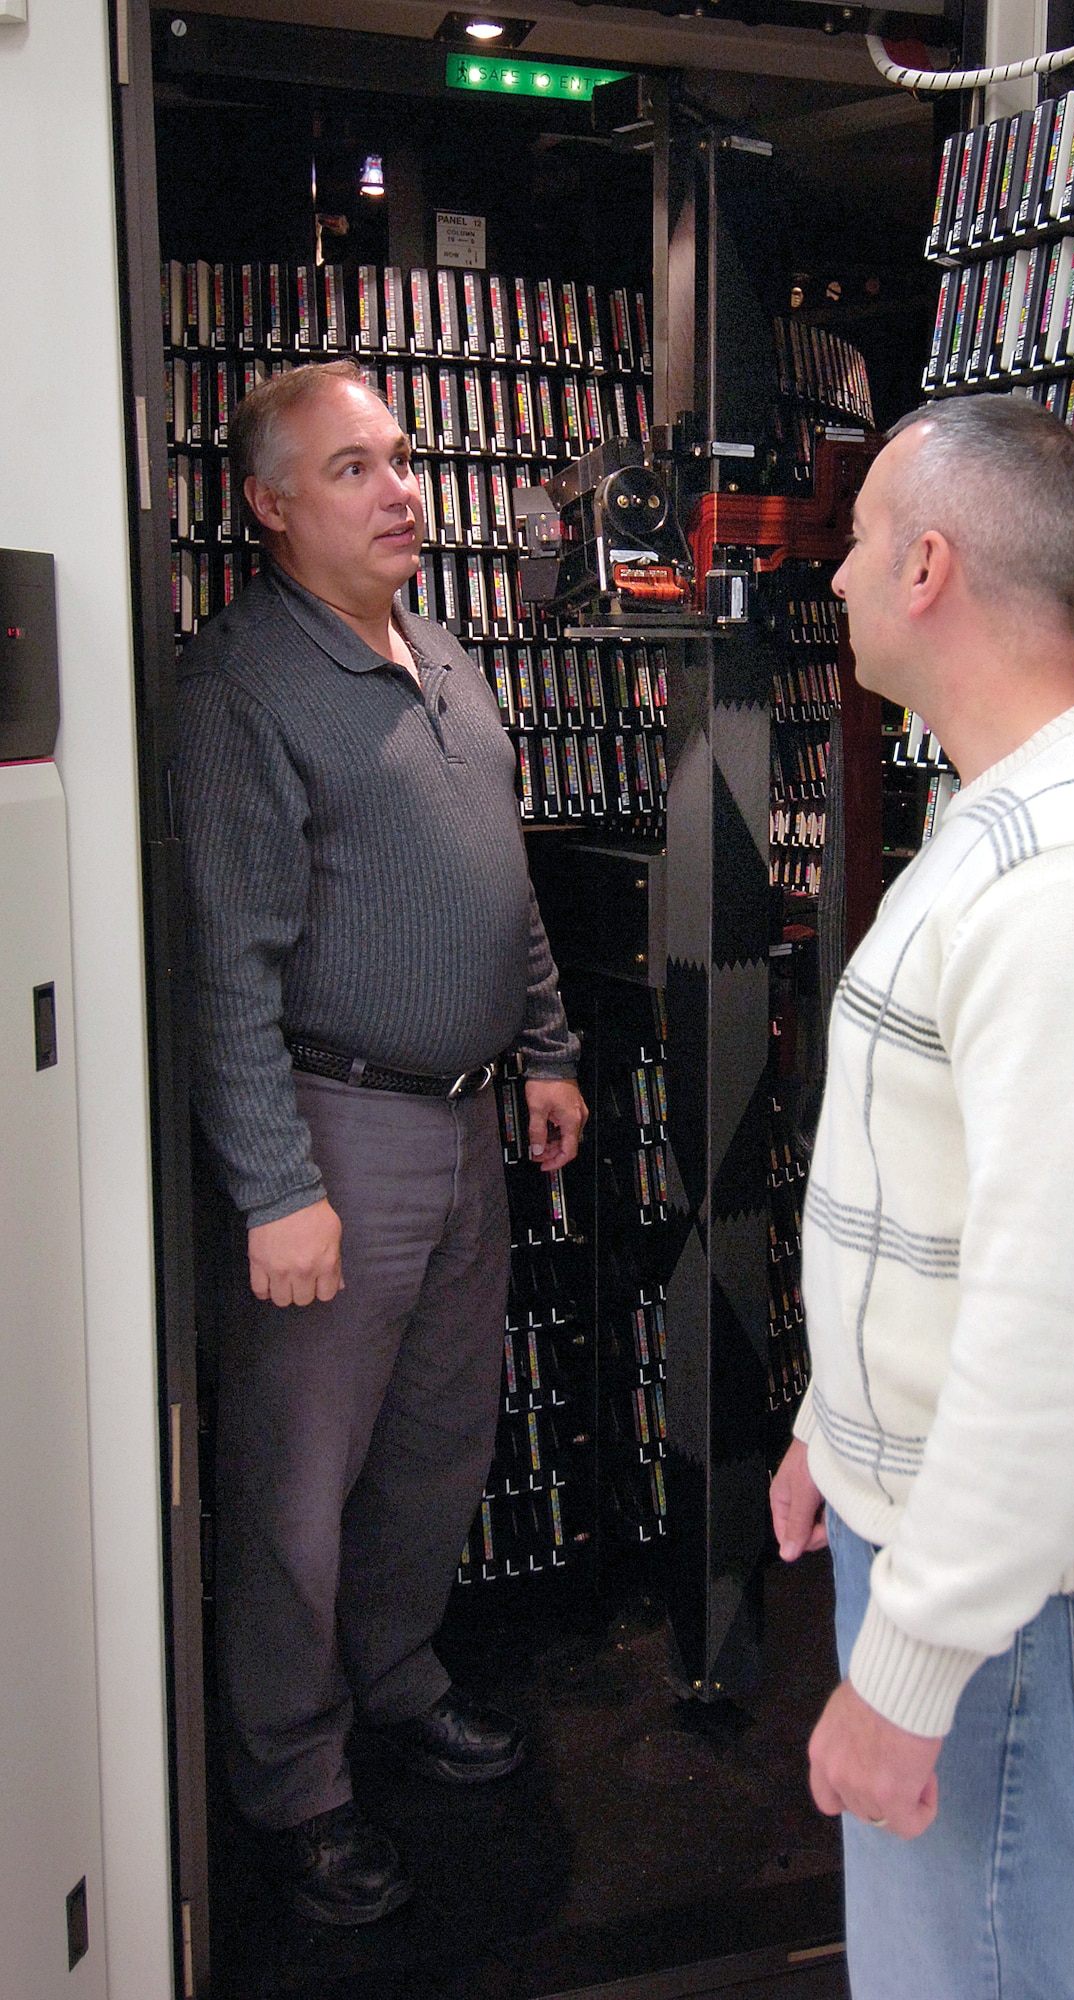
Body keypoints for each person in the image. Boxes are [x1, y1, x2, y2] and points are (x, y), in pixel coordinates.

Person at [769, 395, 1074, 1998]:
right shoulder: (1011, 824)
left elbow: (1062, 1331)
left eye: (852, 542)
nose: (829, 576)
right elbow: (958, 1209)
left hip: (1027, 1612)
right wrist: (836, 1430)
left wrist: (909, 1669)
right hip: (979, 1574)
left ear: (924, 566)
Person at [172, 359, 588, 1926]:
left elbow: (504, 880)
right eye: (353, 470)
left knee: (435, 1446)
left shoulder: (448, 660)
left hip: (467, 1123)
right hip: (333, 1131)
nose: (401, 490)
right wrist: (278, 1189)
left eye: (401, 460)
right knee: (295, 1481)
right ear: (270, 506)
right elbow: (228, 961)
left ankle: (396, 1683)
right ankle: (295, 1781)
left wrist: (544, 1048)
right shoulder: (239, 691)